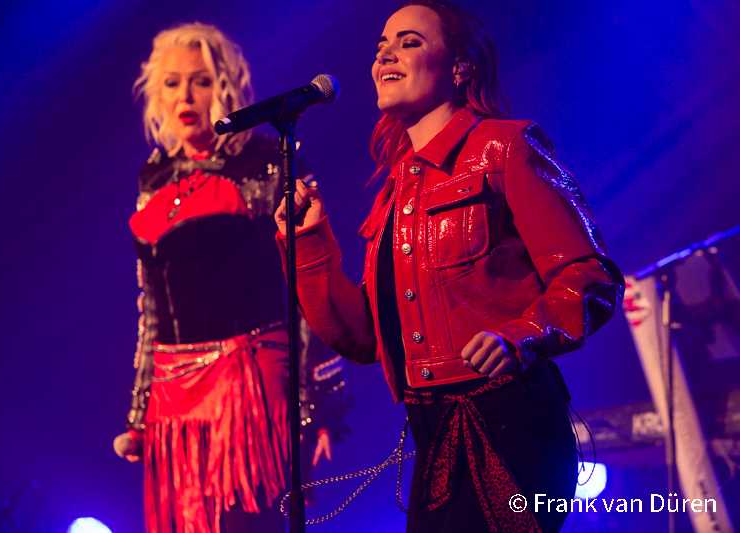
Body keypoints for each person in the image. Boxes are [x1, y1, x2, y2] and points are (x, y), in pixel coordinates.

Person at [274, 2, 624, 532]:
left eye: (409, 42)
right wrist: (307, 243)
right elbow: (363, 338)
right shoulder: (395, 193)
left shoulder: (505, 147)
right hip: (433, 431)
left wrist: (521, 334)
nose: (385, 55)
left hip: (511, 424)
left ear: (460, 67)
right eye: (381, 47)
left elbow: (589, 276)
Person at [111, 22, 346, 533]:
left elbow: (307, 284)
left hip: (252, 387)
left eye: (200, 80)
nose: (185, 96)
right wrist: (139, 417)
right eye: (172, 83)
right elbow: (150, 309)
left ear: (226, 85)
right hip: (176, 398)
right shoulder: (153, 176)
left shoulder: (268, 160)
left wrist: (318, 406)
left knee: (248, 521)